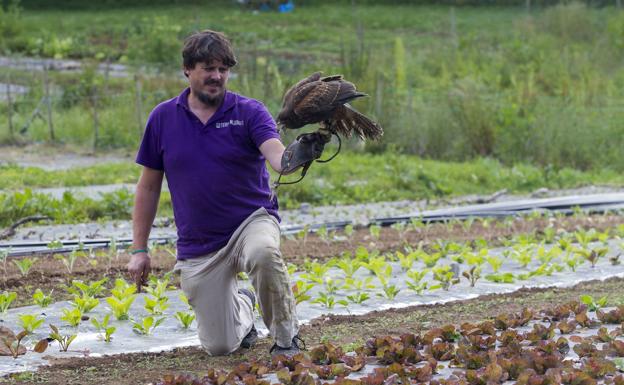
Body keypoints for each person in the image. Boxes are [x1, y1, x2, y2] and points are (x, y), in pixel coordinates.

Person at [127, 29, 308, 357]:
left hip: (250, 222)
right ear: (188, 69)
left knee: (264, 253)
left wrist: (301, 152)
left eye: (223, 69)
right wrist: (139, 249)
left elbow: (279, 159)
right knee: (220, 346)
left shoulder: (249, 112)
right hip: (200, 243)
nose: (217, 76)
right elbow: (149, 186)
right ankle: (244, 307)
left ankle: (286, 340)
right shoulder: (163, 118)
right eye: (208, 68)